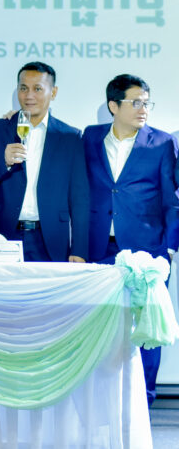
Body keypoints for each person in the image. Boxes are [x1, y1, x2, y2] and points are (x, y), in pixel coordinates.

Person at [83, 74, 179, 406]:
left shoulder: (162, 143)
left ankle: (144, 400)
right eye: (135, 102)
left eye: (146, 103)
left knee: (148, 328)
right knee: (101, 326)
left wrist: (168, 250)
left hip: (148, 252)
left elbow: (172, 201)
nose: (143, 109)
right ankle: (102, 400)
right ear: (113, 106)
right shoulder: (90, 137)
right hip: (100, 248)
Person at [0, 62, 88, 262]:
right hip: (1, 234)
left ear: (53, 92)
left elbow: (79, 196)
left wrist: (79, 249)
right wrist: (4, 162)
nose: (29, 96)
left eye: (37, 89)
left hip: (50, 238)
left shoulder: (70, 137)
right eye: (23, 88)